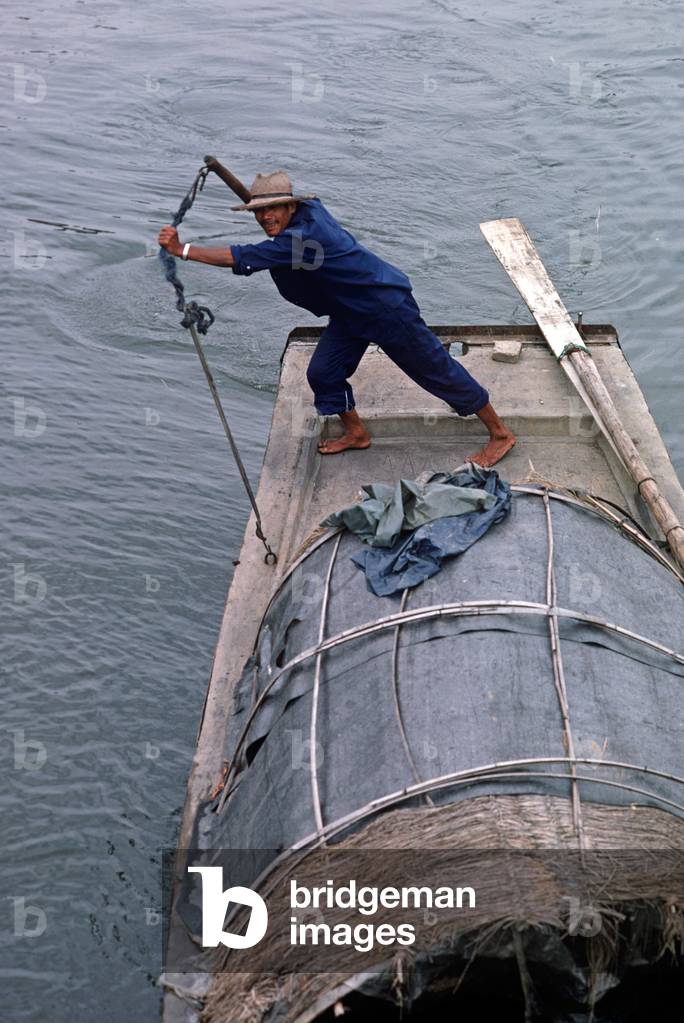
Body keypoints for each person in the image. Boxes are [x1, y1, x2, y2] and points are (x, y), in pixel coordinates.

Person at [158, 171, 516, 464]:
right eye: (258, 213)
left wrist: (182, 250)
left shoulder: (301, 238)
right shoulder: (308, 213)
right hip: (349, 310)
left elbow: (242, 257)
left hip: (383, 305)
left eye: (274, 211)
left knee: (435, 369)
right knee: (323, 373)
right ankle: (356, 433)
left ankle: (500, 434)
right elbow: (275, 232)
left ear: (291, 206)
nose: (265, 218)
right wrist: (266, 209)